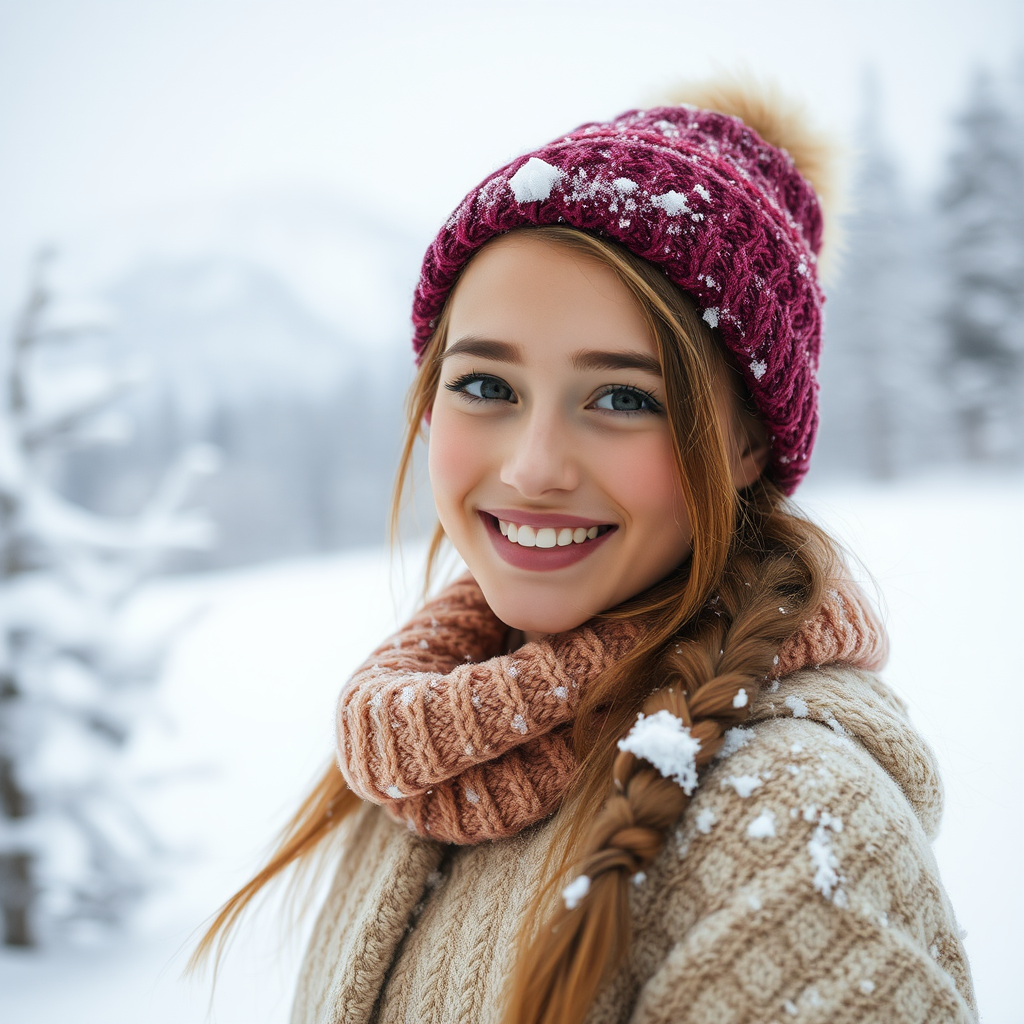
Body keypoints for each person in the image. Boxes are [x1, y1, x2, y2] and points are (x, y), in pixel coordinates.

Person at [192, 80, 977, 1023]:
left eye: (622, 398)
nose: (532, 469)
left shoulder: (791, 833)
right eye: (486, 383)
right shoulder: (420, 753)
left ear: (748, 445)